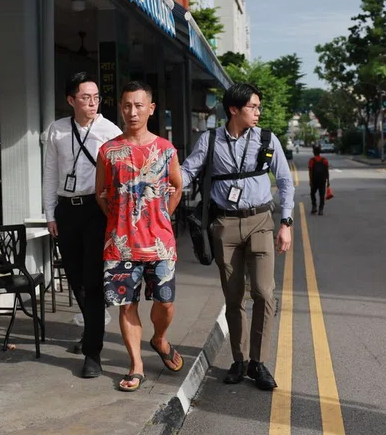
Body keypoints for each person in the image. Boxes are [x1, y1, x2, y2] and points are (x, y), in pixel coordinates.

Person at [180, 82, 294, 391]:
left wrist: (285, 222)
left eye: (259, 107)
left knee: (263, 293)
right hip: (225, 226)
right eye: (253, 107)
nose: (258, 112)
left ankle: (258, 362)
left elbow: (284, 181)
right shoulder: (210, 140)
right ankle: (239, 360)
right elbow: (187, 172)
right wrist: (160, 175)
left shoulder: (268, 140)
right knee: (233, 298)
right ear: (234, 109)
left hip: (260, 221)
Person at [96, 81, 184, 393]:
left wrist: (162, 214)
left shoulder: (164, 149)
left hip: (159, 242)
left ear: (150, 109)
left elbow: (177, 185)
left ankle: (159, 338)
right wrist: (120, 220)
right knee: (126, 304)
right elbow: (101, 194)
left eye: (138, 105)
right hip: (119, 244)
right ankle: (136, 365)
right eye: (126, 106)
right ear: (120, 108)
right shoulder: (108, 151)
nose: (132, 112)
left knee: (166, 302)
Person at [42, 73, 122, 378]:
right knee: (74, 277)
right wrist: (50, 213)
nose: (92, 102)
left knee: (91, 279)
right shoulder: (58, 130)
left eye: (96, 97)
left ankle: (93, 353)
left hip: (95, 210)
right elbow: (50, 173)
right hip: (66, 211)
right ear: (71, 100)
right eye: (86, 97)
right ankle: (93, 326)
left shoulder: (109, 130)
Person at [308, 145, 330, 215]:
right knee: (322, 195)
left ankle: (314, 206)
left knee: (312, 193)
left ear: (314, 152)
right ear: (320, 152)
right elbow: (327, 171)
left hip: (314, 180)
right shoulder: (324, 160)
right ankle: (321, 209)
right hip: (322, 180)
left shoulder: (312, 160)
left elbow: (310, 171)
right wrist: (328, 181)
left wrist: (311, 181)